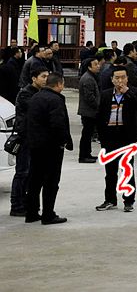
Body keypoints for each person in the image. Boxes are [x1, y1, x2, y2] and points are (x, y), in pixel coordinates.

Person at [96, 66, 137, 212]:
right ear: (112, 79)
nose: (120, 81)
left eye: (123, 77)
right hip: (110, 135)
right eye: (117, 78)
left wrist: (127, 93)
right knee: (110, 171)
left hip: (126, 136)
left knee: (127, 169)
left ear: (127, 79)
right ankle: (110, 199)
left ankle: (129, 200)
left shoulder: (133, 93)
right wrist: (101, 134)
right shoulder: (105, 94)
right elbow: (100, 115)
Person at [24, 72, 71, 224]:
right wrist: (63, 141)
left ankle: (31, 213)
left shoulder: (35, 97)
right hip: (51, 147)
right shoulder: (55, 100)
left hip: (35, 145)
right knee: (51, 181)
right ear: (59, 84)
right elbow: (58, 124)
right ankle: (48, 214)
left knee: (35, 179)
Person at [9, 66, 49, 217]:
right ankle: (16, 205)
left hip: (35, 138)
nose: (46, 79)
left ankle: (26, 203)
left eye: (47, 76)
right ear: (34, 78)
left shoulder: (40, 93)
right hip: (25, 137)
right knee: (22, 172)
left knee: (32, 173)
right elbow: (38, 110)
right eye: (43, 76)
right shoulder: (25, 93)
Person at [77, 55, 102, 162]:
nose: (98, 66)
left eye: (98, 64)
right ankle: (83, 156)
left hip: (90, 111)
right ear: (89, 67)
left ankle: (87, 153)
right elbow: (89, 97)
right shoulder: (88, 79)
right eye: (95, 64)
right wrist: (98, 106)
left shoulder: (92, 76)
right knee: (86, 134)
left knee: (88, 133)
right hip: (88, 111)